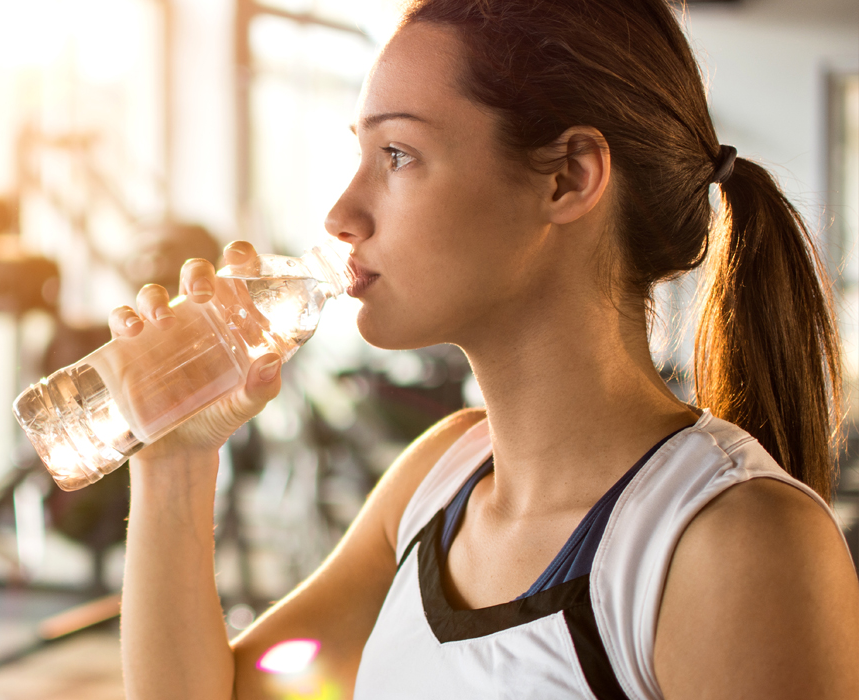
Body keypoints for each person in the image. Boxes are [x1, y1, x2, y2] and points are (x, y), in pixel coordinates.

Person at [111, 0, 859, 697]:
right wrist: (174, 461)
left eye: (398, 154)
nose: (341, 213)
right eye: (362, 153)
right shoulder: (437, 480)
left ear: (567, 179)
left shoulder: (732, 546)